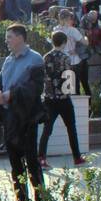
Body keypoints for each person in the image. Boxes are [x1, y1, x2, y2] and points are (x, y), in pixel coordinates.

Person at [0, 25, 46, 201]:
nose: (7, 40)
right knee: (14, 161)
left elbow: (35, 88)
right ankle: (21, 200)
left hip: (27, 116)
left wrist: (13, 94)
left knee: (31, 159)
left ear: (20, 38)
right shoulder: (8, 60)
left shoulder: (35, 59)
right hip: (10, 116)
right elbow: (0, 82)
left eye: (9, 37)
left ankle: (41, 198)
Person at [38, 31, 85, 169]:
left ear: (52, 41)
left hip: (49, 98)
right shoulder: (65, 58)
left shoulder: (45, 57)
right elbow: (68, 77)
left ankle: (41, 157)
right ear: (64, 43)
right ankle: (77, 157)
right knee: (71, 128)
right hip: (63, 98)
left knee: (47, 129)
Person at [56, 9, 90, 97]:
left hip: (61, 61)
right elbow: (85, 43)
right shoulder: (72, 30)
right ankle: (79, 109)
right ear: (68, 18)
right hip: (73, 61)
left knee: (66, 88)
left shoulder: (55, 29)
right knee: (75, 87)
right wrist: (85, 37)